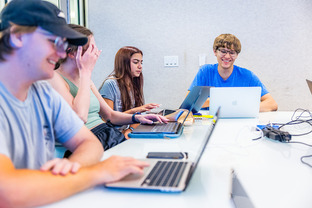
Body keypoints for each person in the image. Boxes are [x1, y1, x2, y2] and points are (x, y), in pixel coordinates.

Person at [0, 1, 163, 207]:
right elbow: (7, 193)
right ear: (17, 36)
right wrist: (98, 172)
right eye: (53, 42)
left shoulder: (42, 93)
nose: (61, 53)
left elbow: (89, 143)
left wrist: (70, 169)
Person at [49, 25, 167, 147]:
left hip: (104, 133)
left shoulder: (85, 79)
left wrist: (137, 118)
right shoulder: (54, 78)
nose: (96, 53)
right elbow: (79, 117)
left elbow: (110, 115)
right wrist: (86, 72)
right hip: (88, 141)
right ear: (73, 53)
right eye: (91, 48)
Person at [188, 34, 278, 112]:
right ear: (215, 51)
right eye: (223, 51)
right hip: (209, 123)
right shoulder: (205, 72)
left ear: (237, 55)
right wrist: (221, 101)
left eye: (232, 52)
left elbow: (272, 104)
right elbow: (188, 103)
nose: (227, 56)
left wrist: (243, 108)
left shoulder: (247, 76)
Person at [99, 46, 159, 114]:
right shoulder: (110, 84)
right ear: (124, 63)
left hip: (129, 124)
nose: (140, 66)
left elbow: (135, 118)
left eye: (141, 62)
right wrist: (136, 110)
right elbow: (108, 119)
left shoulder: (134, 83)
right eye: (136, 62)